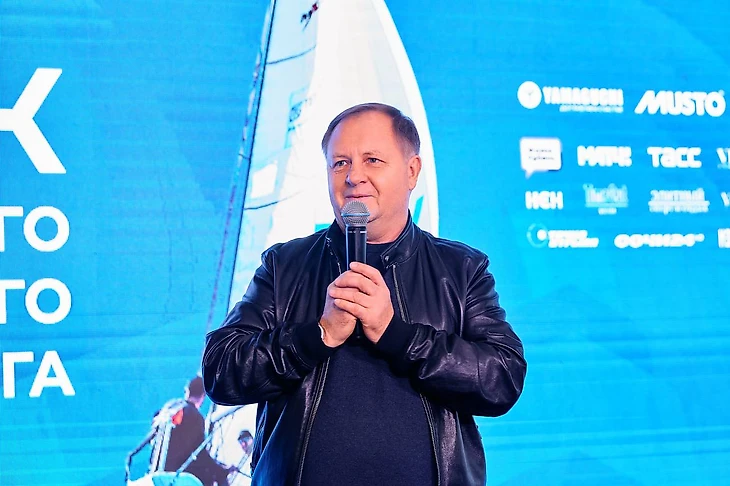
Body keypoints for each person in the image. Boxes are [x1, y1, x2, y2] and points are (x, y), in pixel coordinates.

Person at [202, 102, 527, 485]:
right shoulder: (284, 265)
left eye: (372, 160)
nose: (354, 176)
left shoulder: (460, 269)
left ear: (412, 171)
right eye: (340, 163)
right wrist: (316, 335)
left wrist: (397, 335)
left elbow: (501, 379)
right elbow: (221, 371)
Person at [153, 376, 231, 486]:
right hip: (180, 474)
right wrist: (221, 470)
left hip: (158, 471)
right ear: (203, 396)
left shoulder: (169, 408)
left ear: (187, 391)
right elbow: (199, 452)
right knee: (217, 475)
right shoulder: (194, 415)